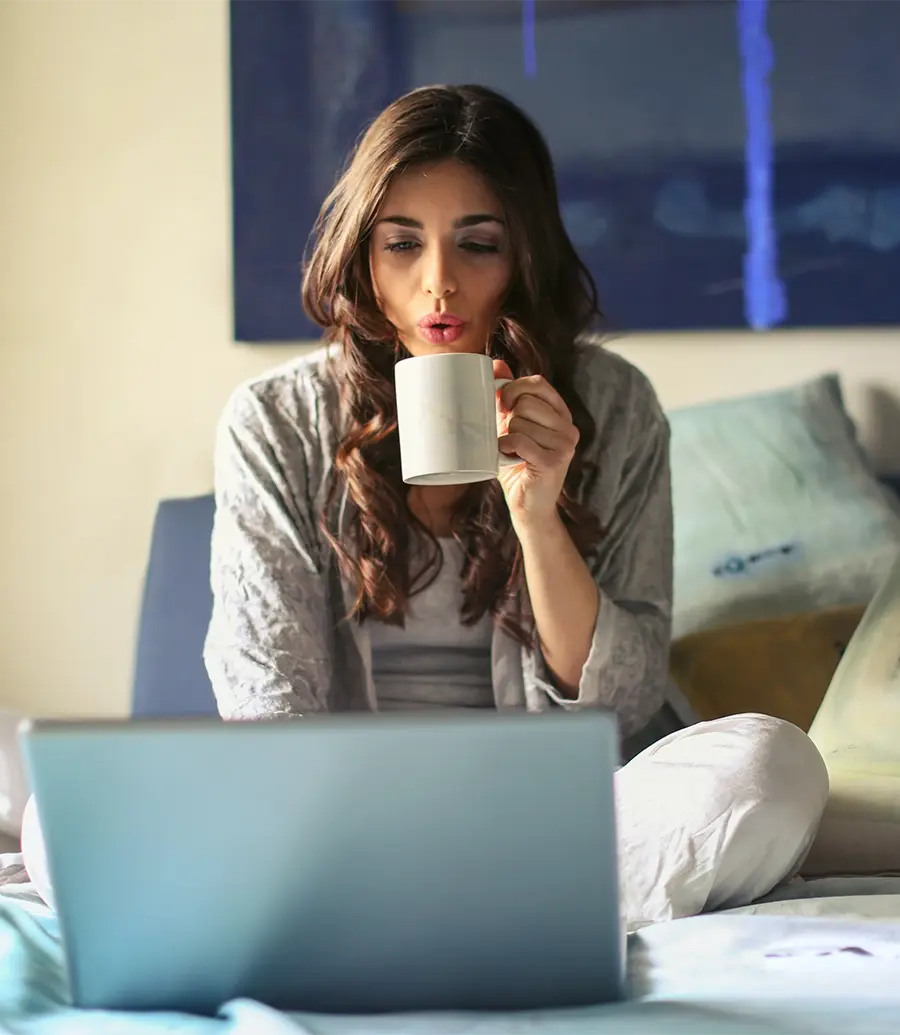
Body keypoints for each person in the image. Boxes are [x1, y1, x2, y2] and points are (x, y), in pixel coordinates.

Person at [25, 86, 829, 927]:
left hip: (552, 820)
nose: (438, 282)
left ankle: (379, 914)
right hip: (334, 820)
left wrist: (539, 513)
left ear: (525, 256)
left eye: (477, 244)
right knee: (61, 818)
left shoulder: (615, 408)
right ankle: (483, 911)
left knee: (774, 768)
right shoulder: (276, 422)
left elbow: (619, 703)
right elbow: (267, 697)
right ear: (361, 257)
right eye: (402, 243)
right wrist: (334, 824)